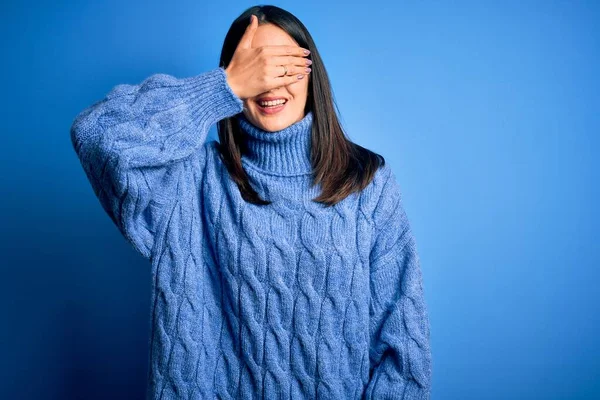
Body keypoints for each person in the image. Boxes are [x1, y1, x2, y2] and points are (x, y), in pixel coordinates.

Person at [70, 5, 432, 399]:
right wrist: (221, 88)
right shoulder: (187, 181)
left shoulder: (367, 183)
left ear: (313, 75)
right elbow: (96, 134)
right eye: (254, 67)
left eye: (284, 65)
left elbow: (403, 345)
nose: (269, 83)